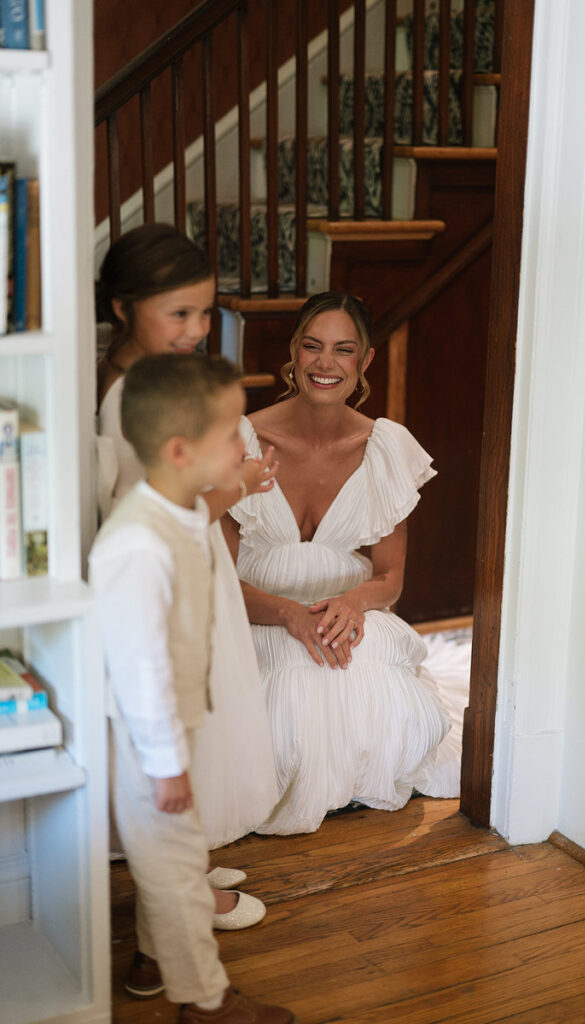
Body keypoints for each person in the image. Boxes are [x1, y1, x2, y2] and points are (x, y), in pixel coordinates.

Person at [89, 355, 295, 1023]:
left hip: (174, 727)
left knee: (171, 863)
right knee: (176, 877)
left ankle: (155, 961)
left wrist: (240, 488)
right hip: (154, 741)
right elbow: (139, 667)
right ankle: (206, 1002)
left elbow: (205, 509)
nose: (244, 446)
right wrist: (166, 763)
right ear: (181, 450)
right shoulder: (135, 547)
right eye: (231, 436)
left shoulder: (177, 508)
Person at [221, 292, 463, 836]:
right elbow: (218, 581)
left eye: (342, 350)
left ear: (365, 361)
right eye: (312, 346)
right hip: (259, 613)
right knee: (295, 677)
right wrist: (288, 613)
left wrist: (352, 604)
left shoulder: (386, 446)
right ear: (293, 352)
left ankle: (349, 784)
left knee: (372, 678)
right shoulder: (241, 440)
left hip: (348, 613)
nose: (325, 363)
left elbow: (390, 579)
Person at [95, 224, 280, 924]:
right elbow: (156, 511)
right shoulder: (133, 396)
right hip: (170, 586)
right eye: (178, 313)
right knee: (186, 726)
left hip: (194, 574)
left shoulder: (144, 376)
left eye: (204, 313)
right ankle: (177, 903)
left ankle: (187, 866)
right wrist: (241, 483)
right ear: (122, 308)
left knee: (206, 726)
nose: (197, 329)